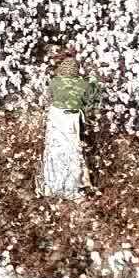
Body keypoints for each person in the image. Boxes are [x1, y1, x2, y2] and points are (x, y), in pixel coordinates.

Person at [38, 55, 98, 199]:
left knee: (54, 151)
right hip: (72, 119)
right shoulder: (84, 84)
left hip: (55, 118)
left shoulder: (54, 82)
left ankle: (51, 186)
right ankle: (72, 187)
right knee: (72, 151)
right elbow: (91, 100)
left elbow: (48, 98)